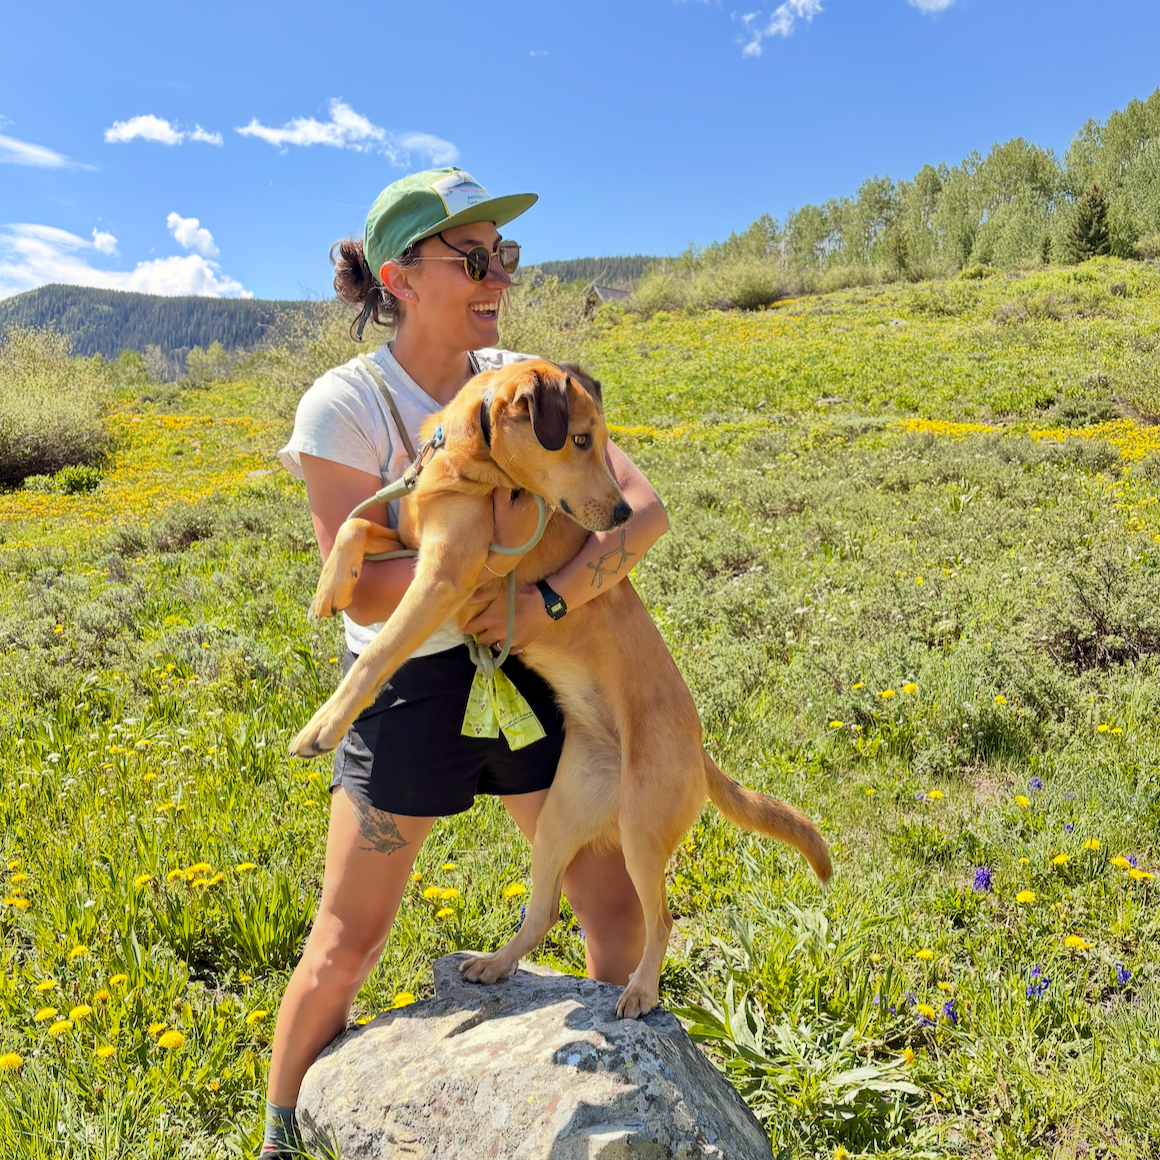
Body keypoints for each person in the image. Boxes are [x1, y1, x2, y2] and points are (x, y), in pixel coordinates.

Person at [267, 168, 669, 1156]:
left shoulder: (526, 381)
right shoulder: (345, 403)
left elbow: (639, 511)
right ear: (399, 277)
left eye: (507, 256)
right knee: (347, 938)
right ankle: (280, 1135)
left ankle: (618, 1094)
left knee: (610, 904)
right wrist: (479, 550)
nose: (499, 275)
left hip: (533, 668)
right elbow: (356, 588)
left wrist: (542, 597)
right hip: (410, 690)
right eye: (475, 257)